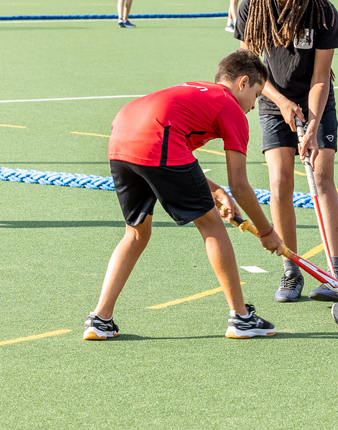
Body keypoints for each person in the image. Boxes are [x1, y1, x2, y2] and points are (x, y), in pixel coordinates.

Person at [84, 50, 282, 340]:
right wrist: (266, 232)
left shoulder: (198, 91)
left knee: (136, 233)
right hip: (155, 141)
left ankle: (99, 320)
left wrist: (215, 191)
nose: (255, 104)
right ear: (242, 83)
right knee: (211, 225)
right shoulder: (231, 109)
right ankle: (241, 318)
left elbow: (175, 153)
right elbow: (239, 184)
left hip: (120, 139)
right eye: (257, 93)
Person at [234, 0, 338, 304]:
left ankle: (337, 275)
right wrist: (281, 102)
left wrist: (312, 123)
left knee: (321, 175)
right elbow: (248, 69)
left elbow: (320, 78)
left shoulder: (323, 13)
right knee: (280, 181)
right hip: (271, 99)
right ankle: (291, 270)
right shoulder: (252, 7)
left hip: (316, 102)